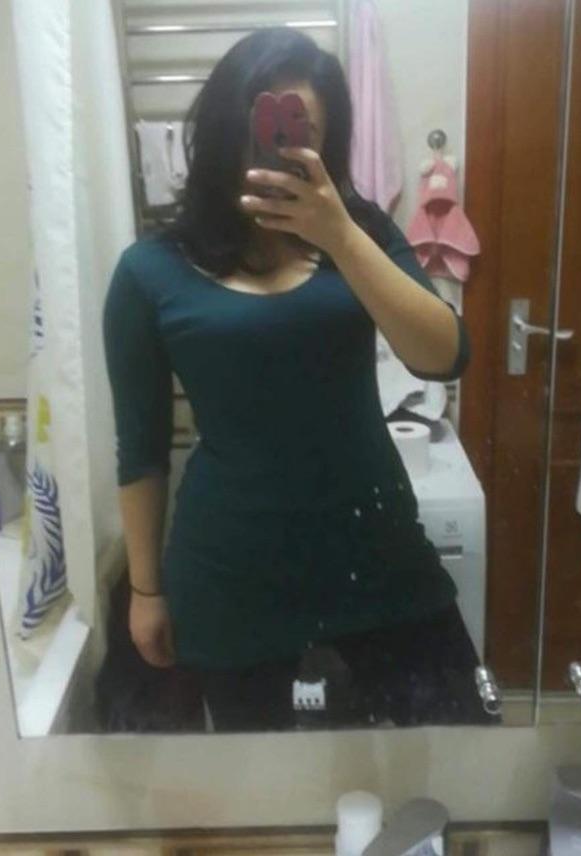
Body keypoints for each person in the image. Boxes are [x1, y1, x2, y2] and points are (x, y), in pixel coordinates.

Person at [102, 27, 494, 732]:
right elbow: (141, 450)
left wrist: (339, 234)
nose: (281, 147)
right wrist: (146, 590)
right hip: (231, 578)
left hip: (380, 558)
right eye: (265, 124)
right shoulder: (149, 272)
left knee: (449, 755)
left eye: (302, 131)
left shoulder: (361, 233)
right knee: (272, 782)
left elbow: (444, 356)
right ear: (225, 128)